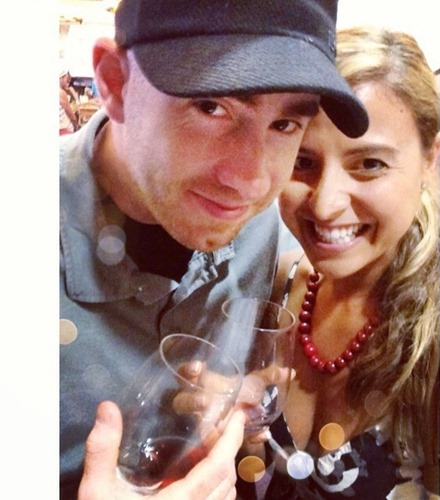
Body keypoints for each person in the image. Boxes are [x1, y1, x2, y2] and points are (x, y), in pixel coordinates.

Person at [59, 0, 369, 498]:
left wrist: (235, 407)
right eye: (210, 106)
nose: (251, 181)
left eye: (285, 124)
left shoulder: (265, 228)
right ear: (115, 83)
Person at [236, 26, 440, 498]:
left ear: (431, 160)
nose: (326, 205)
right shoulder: (283, 282)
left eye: (369, 164)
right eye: (302, 162)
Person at [59, 69, 79, 134]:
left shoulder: (64, 91)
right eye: (67, 78)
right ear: (61, 78)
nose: (68, 81)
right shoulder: (61, 92)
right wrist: (76, 126)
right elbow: (71, 116)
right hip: (64, 129)